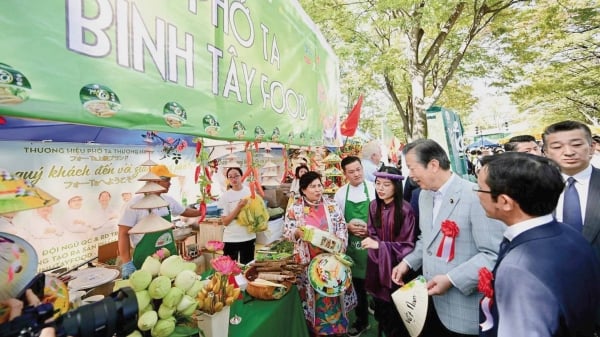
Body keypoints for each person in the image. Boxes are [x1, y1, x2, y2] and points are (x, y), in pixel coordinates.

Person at [475, 152, 600, 336]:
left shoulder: (518, 268)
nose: (477, 195)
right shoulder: (570, 234)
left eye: (480, 189)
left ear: (505, 202)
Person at [391, 139, 505, 337]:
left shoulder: (474, 196)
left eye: (411, 167)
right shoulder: (423, 196)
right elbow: (427, 239)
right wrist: (408, 263)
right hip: (430, 304)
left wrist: (452, 279)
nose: (410, 175)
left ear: (433, 165)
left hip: (463, 307)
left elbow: (493, 254)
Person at [542, 120, 600, 332]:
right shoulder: (534, 190)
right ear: (546, 152)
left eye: (576, 144)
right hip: (553, 297)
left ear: (591, 146)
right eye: (557, 147)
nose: (568, 152)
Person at [283, 171, 357, 337]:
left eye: (319, 185)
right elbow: (287, 231)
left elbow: (341, 227)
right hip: (308, 262)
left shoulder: (331, 205)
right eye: (312, 186)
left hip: (331, 262)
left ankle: (337, 329)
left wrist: (339, 245)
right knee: (312, 296)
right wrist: (297, 233)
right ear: (303, 190)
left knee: (332, 294)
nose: (318, 190)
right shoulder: (295, 208)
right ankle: (315, 329)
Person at [118, 165, 203, 279]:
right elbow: (123, 233)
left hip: (169, 258)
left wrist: (203, 211)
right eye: (167, 180)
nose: (170, 183)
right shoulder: (134, 204)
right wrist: (126, 263)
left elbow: (185, 211)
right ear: (154, 181)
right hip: (145, 260)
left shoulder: (167, 200)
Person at [361, 166, 416, 337]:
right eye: (378, 184)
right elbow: (372, 233)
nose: (380, 188)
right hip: (377, 266)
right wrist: (376, 245)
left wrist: (380, 246)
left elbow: (408, 244)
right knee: (381, 312)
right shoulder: (373, 207)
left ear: (396, 186)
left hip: (397, 270)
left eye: (386, 184)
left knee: (397, 316)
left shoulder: (405, 210)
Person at [333, 156, 375, 337]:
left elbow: (383, 217)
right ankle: (362, 321)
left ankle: (379, 311)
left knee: (376, 284)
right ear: (345, 174)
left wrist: (371, 228)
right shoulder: (341, 194)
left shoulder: (373, 189)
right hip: (353, 249)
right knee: (357, 287)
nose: (357, 174)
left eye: (359, 169)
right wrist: (347, 226)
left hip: (373, 247)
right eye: (352, 171)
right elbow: (336, 221)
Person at [218, 167, 255, 264]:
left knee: (247, 268)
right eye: (230, 177)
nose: (234, 179)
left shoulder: (250, 192)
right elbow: (225, 222)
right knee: (229, 268)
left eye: (236, 176)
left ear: (241, 177)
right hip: (231, 238)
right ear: (228, 180)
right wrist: (238, 207)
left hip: (248, 237)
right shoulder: (225, 197)